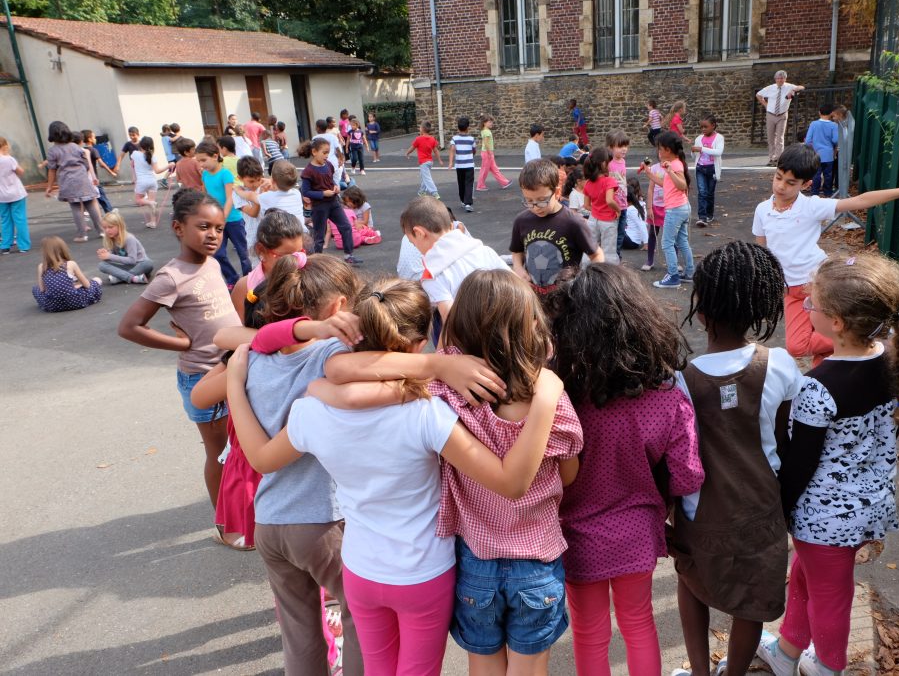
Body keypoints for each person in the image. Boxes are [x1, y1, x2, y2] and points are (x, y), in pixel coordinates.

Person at [226, 277, 566, 676]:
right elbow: (510, 483)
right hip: (423, 573)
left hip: (361, 570)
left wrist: (235, 384)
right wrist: (546, 395)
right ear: (421, 343)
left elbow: (263, 458)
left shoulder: (312, 408)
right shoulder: (428, 412)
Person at [759, 252, 899, 676]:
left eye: (812, 304)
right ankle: (788, 651)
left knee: (831, 594)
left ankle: (828, 666)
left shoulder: (818, 387)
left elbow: (799, 465)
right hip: (866, 503)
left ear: (838, 323)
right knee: (807, 576)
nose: (805, 308)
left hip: (825, 517)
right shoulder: (892, 357)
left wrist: (778, 510)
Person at [218, 251, 366, 674]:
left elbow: (234, 339)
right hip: (322, 520)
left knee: (299, 632)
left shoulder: (256, 358)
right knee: (358, 618)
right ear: (339, 308)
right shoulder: (331, 357)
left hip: (270, 522)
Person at [551, 263, 703, 675]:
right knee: (639, 624)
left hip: (575, 533)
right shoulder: (665, 396)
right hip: (636, 529)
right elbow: (688, 474)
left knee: (588, 632)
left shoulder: (557, 395)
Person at [430, 270, 584, 675]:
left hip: (476, 560)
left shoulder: (446, 394)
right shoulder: (553, 403)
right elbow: (568, 476)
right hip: (535, 561)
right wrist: (549, 395)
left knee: (482, 666)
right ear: (529, 327)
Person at [667, 240, 802, 676]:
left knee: (691, 583)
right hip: (761, 509)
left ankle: (701, 672)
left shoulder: (679, 381)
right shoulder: (780, 365)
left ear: (700, 312)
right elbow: (788, 436)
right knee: (752, 601)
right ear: (761, 308)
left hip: (699, 513)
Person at [753, 143, 899, 363]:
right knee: (797, 346)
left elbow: (861, 200)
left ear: (806, 184)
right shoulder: (763, 210)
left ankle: (867, 340)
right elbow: (762, 253)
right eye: (778, 177)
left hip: (818, 284)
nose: (781, 186)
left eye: (790, 182)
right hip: (789, 289)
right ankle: (865, 338)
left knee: (822, 336)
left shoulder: (811, 206)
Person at [118, 189, 241, 508]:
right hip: (202, 377)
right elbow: (129, 326)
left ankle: (243, 509)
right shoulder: (171, 277)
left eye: (218, 228)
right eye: (203, 227)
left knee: (239, 448)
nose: (213, 234)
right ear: (178, 228)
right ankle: (224, 523)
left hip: (231, 369)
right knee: (219, 454)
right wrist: (181, 343)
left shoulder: (211, 264)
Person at [401, 196, 509, 330]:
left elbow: (451, 321)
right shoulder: (485, 251)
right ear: (452, 226)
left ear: (419, 233)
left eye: (413, 243)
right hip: (507, 322)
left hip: (475, 337)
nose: (416, 248)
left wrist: (441, 350)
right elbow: (517, 284)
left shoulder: (434, 275)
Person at [512, 158, 603, 303]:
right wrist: (518, 267)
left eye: (542, 200)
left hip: (566, 300)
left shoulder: (573, 222)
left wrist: (586, 285)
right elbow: (517, 250)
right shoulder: (521, 221)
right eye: (529, 201)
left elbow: (597, 255)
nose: (535, 207)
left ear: (557, 191)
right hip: (532, 298)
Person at [195, 140, 250, 287]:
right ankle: (232, 278)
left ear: (215, 156)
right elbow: (206, 196)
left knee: (243, 253)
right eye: (198, 161)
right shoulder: (205, 175)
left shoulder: (225, 174)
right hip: (216, 221)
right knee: (217, 253)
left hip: (232, 219)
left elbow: (230, 197)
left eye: (203, 160)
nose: (201, 164)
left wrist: (223, 217)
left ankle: (249, 280)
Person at [298, 138, 361, 263]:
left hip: (333, 202)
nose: (327, 156)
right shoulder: (308, 171)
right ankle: (316, 261)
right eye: (324, 152)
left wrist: (335, 187)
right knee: (319, 236)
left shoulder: (328, 165)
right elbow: (305, 192)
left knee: (346, 226)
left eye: (328, 152)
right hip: (319, 207)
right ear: (314, 152)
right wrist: (322, 193)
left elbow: (330, 181)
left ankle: (348, 255)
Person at [44, 121, 103, 243]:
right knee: (91, 203)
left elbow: (52, 170)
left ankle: (82, 235)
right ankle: (102, 231)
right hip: (82, 178)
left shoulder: (53, 151)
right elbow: (85, 162)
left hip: (67, 181)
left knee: (76, 207)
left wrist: (49, 186)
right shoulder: (75, 146)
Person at [650, 132, 694, 289]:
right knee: (682, 241)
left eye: (660, 149)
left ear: (667, 150)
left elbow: (682, 185)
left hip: (675, 210)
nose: (658, 152)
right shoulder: (676, 162)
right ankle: (689, 273)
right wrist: (650, 174)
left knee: (667, 243)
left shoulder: (674, 165)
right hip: (682, 208)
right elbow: (665, 184)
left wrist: (669, 171)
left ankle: (673, 276)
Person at [32, 235, 102, 311]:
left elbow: (42, 289)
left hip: (53, 305)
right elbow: (87, 285)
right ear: (62, 249)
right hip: (75, 302)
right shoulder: (70, 264)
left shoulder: (41, 266)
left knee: (35, 289)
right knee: (96, 280)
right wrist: (78, 286)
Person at [582, 147, 622, 266]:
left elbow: (586, 205)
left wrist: (596, 210)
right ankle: (610, 275)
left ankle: (585, 271)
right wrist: (618, 210)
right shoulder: (609, 181)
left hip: (593, 219)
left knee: (590, 248)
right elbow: (609, 200)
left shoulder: (588, 183)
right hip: (608, 220)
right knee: (609, 250)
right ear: (604, 163)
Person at [756, 70, 805, 166]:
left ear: (785, 79)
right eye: (778, 78)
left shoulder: (789, 86)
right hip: (770, 114)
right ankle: (771, 158)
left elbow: (802, 87)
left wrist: (793, 90)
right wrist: (765, 105)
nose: (780, 80)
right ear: (775, 79)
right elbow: (758, 94)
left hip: (782, 114)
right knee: (771, 137)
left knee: (780, 137)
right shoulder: (770, 88)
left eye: (782, 78)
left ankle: (778, 159)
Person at [97, 210, 153, 284]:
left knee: (148, 263)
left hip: (139, 264)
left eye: (110, 227)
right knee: (102, 265)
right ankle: (133, 278)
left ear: (119, 226)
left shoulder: (129, 238)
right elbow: (114, 256)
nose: (107, 230)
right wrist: (106, 254)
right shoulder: (111, 239)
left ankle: (120, 277)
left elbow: (132, 260)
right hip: (127, 266)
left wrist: (110, 256)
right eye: (105, 228)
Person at [691, 115, 724, 228]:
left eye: (706, 127)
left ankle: (710, 214)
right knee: (702, 192)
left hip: (712, 169)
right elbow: (695, 155)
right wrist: (693, 151)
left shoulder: (719, 138)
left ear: (713, 126)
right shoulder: (699, 138)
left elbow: (718, 152)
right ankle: (702, 217)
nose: (703, 129)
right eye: (701, 127)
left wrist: (701, 149)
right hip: (700, 168)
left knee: (709, 193)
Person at [0, 135, 29, 253]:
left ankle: (5, 246)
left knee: (5, 220)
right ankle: (24, 246)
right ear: (4, 145)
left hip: (1, 195)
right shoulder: (9, 159)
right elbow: (20, 171)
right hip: (16, 193)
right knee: (20, 219)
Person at [132, 136, 169, 229]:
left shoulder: (135, 154)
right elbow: (157, 171)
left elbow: (132, 165)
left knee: (138, 200)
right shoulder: (152, 156)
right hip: (152, 181)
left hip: (141, 181)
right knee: (151, 202)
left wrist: (134, 177)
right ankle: (153, 222)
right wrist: (169, 166)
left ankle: (151, 204)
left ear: (141, 145)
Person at [804, 104, 840, 197]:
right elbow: (835, 140)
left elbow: (808, 140)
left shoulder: (814, 124)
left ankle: (814, 193)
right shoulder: (834, 125)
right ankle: (827, 192)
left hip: (816, 154)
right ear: (831, 113)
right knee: (828, 175)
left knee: (816, 174)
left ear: (819, 112)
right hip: (828, 155)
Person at [232, 155, 266, 251]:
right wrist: (258, 198)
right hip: (254, 236)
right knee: (257, 262)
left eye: (258, 179)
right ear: (240, 178)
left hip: (271, 233)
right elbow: (253, 213)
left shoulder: (263, 186)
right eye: (251, 181)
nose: (255, 184)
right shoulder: (237, 193)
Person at [605, 129, 630, 256]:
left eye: (625, 146)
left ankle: (617, 257)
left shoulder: (623, 161)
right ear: (610, 148)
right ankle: (612, 260)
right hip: (612, 205)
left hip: (623, 204)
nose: (624, 149)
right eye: (620, 146)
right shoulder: (608, 163)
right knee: (611, 236)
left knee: (620, 234)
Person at [257, 160, 305, 225]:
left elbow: (260, 217)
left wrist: (261, 192)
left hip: (279, 232)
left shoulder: (264, 197)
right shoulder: (297, 193)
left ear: (273, 181)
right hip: (300, 230)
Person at [641, 158, 666, 272]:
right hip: (656, 206)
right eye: (660, 151)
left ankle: (673, 262)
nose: (662, 155)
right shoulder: (655, 168)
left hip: (668, 206)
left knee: (671, 236)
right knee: (652, 233)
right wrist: (649, 207)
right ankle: (649, 260)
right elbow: (650, 189)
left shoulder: (673, 166)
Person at [448, 117, 477, 212]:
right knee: (469, 183)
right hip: (469, 165)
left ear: (458, 128)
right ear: (468, 127)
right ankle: (468, 203)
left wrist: (451, 163)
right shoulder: (471, 139)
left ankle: (462, 200)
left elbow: (452, 150)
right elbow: (474, 150)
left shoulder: (454, 139)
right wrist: (471, 153)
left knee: (461, 183)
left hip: (459, 165)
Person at [476, 115, 512, 191]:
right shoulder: (486, 132)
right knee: (484, 170)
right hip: (487, 153)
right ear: (484, 123)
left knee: (494, 169)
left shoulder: (485, 130)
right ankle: (480, 185)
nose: (491, 123)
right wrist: (489, 153)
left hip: (487, 152)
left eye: (491, 122)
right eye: (489, 122)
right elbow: (486, 143)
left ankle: (504, 182)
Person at [82, 130, 115, 213]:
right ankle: (109, 212)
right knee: (102, 196)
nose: (95, 139)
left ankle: (84, 211)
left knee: (88, 197)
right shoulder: (93, 150)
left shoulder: (82, 150)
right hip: (93, 178)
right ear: (90, 139)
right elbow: (101, 163)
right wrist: (111, 172)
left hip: (84, 178)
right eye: (94, 137)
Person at [406, 121, 441, 198]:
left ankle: (434, 192)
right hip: (430, 162)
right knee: (423, 176)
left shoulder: (418, 139)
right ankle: (422, 192)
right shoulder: (432, 139)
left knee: (427, 178)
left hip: (423, 162)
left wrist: (407, 153)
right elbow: (436, 150)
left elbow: (412, 148)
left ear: (422, 129)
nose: (419, 128)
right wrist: (439, 160)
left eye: (420, 127)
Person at [312, 119, 346, 189]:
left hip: (322, 163)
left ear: (317, 128)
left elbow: (313, 152)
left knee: (324, 183)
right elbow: (338, 149)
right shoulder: (332, 137)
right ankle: (337, 196)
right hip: (333, 162)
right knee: (336, 183)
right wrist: (341, 159)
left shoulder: (315, 138)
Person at [621, 176, 648, 250]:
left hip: (631, 241)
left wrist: (646, 243)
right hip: (634, 239)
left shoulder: (632, 209)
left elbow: (642, 224)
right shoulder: (641, 203)